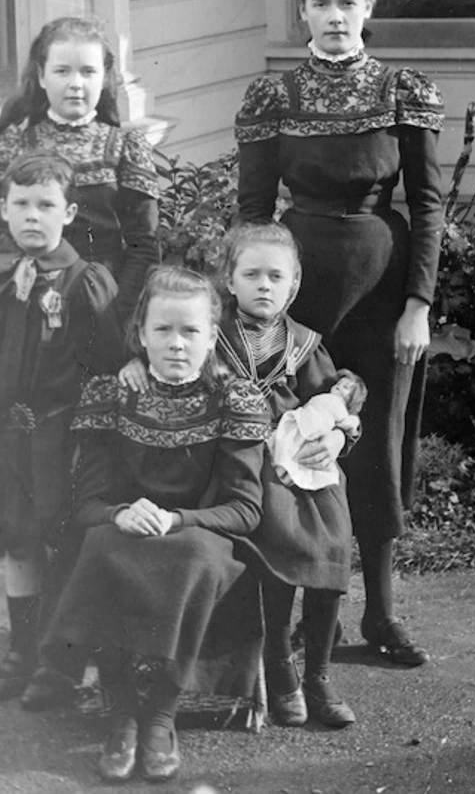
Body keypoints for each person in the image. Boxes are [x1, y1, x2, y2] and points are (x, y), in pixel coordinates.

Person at [235, 0, 444, 667]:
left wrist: (418, 303)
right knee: (295, 434)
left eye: (346, 4)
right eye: (321, 4)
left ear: (369, 11)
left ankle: (382, 614)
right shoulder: (274, 99)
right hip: (301, 290)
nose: (334, 17)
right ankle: (293, 606)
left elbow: (428, 203)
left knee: (377, 442)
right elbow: (254, 208)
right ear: (302, 12)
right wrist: (254, 301)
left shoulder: (401, 90)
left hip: (383, 294)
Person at [121, 222, 362, 729]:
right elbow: (175, 359)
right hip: (241, 464)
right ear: (229, 281)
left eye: (276, 276)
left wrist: (338, 438)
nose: (264, 286)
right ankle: (279, 667)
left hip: (301, 464)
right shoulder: (212, 334)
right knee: (271, 538)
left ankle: (318, 673)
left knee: (333, 538)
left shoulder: (304, 344)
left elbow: (336, 402)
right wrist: (137, 366)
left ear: (293, 285)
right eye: (251, 274)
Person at [39, 266, 270, 784]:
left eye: (191, 331)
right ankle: (121, 712)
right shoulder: (112, 393)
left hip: (205, 534)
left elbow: (245, 509)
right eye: (162, 330)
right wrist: (120, 513)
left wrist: (177, 518)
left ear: (213, 337)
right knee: (100, 546)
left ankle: (161, 715)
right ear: (140, 334)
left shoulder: (235, 398)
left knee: (191, 556)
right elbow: (87, 502)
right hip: (125, 530)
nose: (177, 343)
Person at [0, 152, 124, 706]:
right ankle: (21, 651)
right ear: (3, 208)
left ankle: (60, 665)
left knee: (64, 543)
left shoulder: (84, 283)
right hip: (0, 436)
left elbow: (111, 367)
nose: (32, 216)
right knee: (18, 542)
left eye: (45, 205)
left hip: (62, 440)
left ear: (68, 212)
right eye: (20, 204)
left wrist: (93, 443)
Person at [0, 15, 159, 323]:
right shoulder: (15, 144)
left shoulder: (125, 147)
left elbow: (144, 247)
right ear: (42, 75)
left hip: (104, 303)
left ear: (104, 78)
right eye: (62, 71)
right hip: (28, 304)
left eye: (88, 72)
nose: (76, 84)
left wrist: (116, 312)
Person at [271, 368, 366, 490]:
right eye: (339, 384)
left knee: (301, 455)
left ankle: (287, 473)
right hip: (303, 420)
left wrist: (341, 435)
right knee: (287, 443)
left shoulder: (338, 405)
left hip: (317, 430)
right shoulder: (325, 396)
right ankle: (281, 466)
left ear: (352, 398)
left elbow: (349, 422)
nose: (339, 387)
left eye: (346, 387)